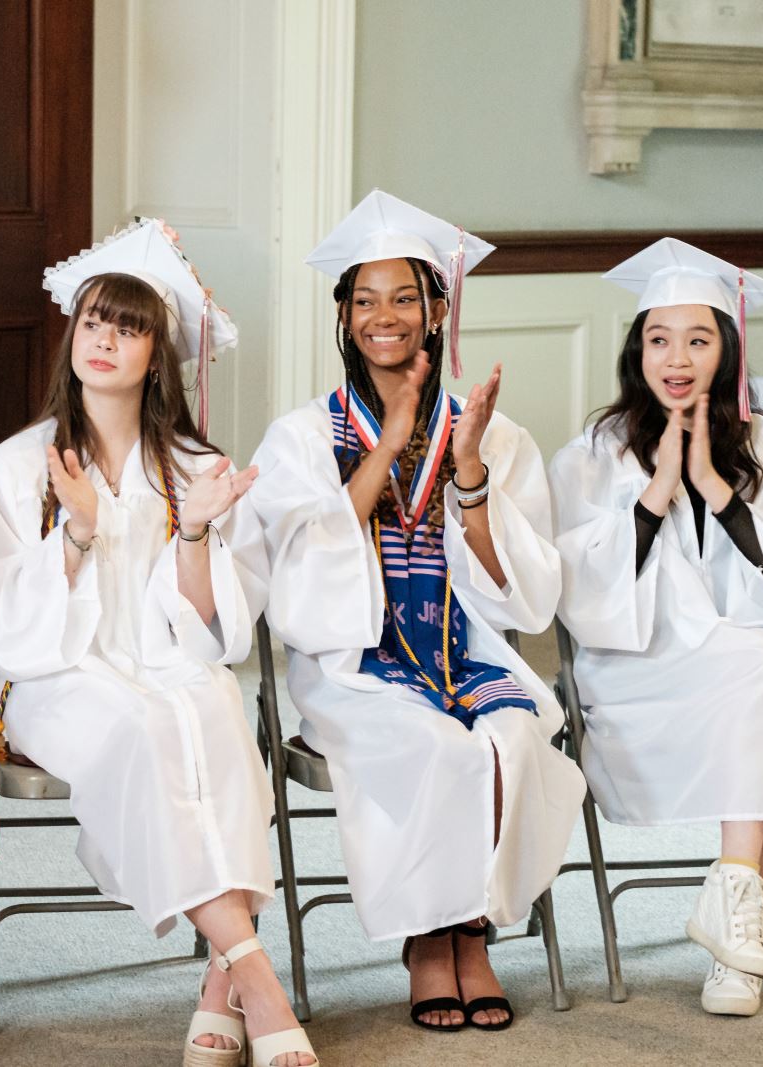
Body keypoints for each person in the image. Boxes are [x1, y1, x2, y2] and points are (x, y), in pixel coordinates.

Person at [0, 218, 315, 1067]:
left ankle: (218, 988)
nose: (104, 339)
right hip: (59, 681)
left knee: (217, 711)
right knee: (148, 728)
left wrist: (192, 531)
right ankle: (258, 983)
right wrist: (74, 534)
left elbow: (214, 635)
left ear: (160, 353)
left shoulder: (196, 465)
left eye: (129, 325)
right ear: (71, 335)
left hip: (168, 665)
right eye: (92, 321)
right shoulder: (13, 468)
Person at [249, 190, 585, 1033]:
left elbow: (529, 593)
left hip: (465, 653)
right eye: (364, 300)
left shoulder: (492, 435)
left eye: (404, 297)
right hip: (355, 663)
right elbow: (301, 573)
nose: (383, 317)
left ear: (438, 310)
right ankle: (427, 941)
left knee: (510, 740)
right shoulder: (303, 435)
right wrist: (392, 440)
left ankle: (474, 930)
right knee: (434, 744)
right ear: (343, 314)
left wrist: (466, 470)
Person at [550, 238, 763, 1018]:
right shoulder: (592, 454)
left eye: (699, 339)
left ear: (728, 350)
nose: (676, 357)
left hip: (743, 660)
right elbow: (577, 593)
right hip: (638, 671)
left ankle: (735, 921)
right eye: (658, 338)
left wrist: (715, 489)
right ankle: (740, 920)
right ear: (636, 348)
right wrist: (656, 491)